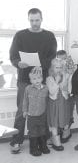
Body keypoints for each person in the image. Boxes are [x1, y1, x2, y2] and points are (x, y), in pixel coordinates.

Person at [9, 8, 57, 154]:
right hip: (24, 79)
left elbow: (52, 56)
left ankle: (43, 138)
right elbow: (13, 56)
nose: (34, 23)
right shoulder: (20, 35)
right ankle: (16, 141)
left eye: (37, 20)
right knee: (22, 110)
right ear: (28, 19)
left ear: (42, 19)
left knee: (43, 109)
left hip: (42, 79)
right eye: (32, 20)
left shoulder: (49, 36)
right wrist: (18, 63)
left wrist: (41, 64)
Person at [22, 67, 50, 156]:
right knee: (33, 132)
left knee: (42, 130)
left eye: (38, 78)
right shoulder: (28, 89)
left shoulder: (46, 88)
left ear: (42, 78)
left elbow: (48, 100)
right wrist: (24, 111)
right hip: (31, 115)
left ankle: (43, 146)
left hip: (42, 115)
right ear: (30, 80)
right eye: (34, 79)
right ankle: (33, 149)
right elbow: (25, 101)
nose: (37, 80)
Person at [46, 58, 71, 151]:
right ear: (52, 68)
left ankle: (65, 135)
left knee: (64, 119)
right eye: (57, 67)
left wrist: (64, 78)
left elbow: (66, 89)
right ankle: (56, 142)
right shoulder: (49, 79)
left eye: (61, 67)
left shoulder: (64, 76)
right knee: (54, 121)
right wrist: (56, 81)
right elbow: (52, 92)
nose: (59, 69)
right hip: (54, 104)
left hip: (63, 103)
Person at [56, 50, 76, 143]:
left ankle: (67, 132)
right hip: (60, 95)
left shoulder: (71, 67)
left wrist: (68, 71)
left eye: (65, 59)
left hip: (70, 94)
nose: (63, 61)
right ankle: (61, 131)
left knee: (69, 113)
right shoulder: (57, 69)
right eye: (60, 59)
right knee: (61, 113)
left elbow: (72, 73)